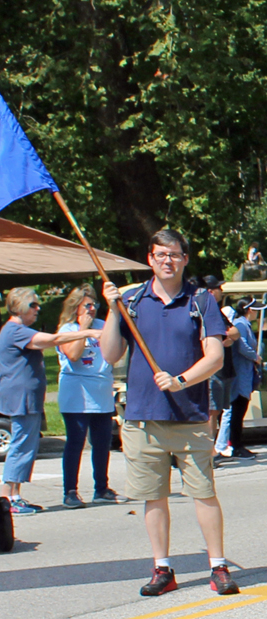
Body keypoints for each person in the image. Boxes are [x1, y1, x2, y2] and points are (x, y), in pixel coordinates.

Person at [101, 229, 239, 597]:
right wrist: (112, 312)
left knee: (204, 493)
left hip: (190, 414)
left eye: (175, 254)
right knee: (153, 496)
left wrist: (180, 380)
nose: (168, 260)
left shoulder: (200, 301)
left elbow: (214, 356)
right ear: (150, 258)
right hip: (143, 417)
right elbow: (110, 354)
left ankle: (218, 566)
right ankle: (162, 568)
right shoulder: (131, 300)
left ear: (185, 259)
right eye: (161, 254)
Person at [0, 287, 103, 516]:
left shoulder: (18, 329)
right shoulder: (16, 330)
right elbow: (53, 340)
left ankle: (15, 495)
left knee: (25, 445)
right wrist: (86, 333)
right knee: (21, 445)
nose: (38, 308)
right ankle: (10, 497)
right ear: (20, 306)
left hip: (27, 398)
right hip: (21, 397)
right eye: (33, 305)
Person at [56, 284, 127, 509]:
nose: (92, 309)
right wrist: (83, 329)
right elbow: (74, 355)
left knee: (102, 442)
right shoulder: (67, 329)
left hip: (101, 392)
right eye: (87, 305)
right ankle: (70, 491)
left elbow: (113, 351)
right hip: (76, 393)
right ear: (76, 307)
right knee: (76, 443)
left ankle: (101, 488)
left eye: (94, 305)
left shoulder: (102, 326)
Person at [202, 276, 240, 455]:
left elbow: (235, 332)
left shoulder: (217, 311)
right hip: (212, 371)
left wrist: (228, 337)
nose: (221, 291)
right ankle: (208, 452)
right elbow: (227, 336)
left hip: (223, 370)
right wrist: (226, 338)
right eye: (218, 288)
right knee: (212, 412)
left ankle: (211, 451)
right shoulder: (206, 310)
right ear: (210, 291)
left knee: (217, 411)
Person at [228, 297, 265, 460]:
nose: (258, 314)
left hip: (245, 374)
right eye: (256, 310)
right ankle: (235, 445)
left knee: (239, 411)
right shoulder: (240, 325)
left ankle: (236, 444)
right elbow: (242, 346)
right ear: (249, 310)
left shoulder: (245, 325)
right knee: (236, 410)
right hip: (240, 375)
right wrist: (255, 356)